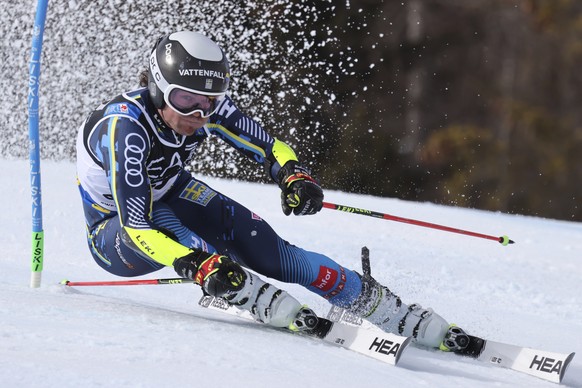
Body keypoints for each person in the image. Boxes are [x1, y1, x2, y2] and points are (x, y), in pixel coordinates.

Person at [76, 30, 468, 350]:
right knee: (166, 222)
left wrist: (293, 175)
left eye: (208, 104)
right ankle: (242, 288)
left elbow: (269, 147)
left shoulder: (207, 111)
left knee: (269, 249)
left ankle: (380, 305)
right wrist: (195, 263)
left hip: (173, 192)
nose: (197, 114)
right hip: (115, 233)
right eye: (184, 100)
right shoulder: (126, 129)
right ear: (159, 87)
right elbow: (136, 225)